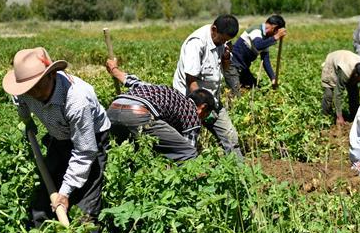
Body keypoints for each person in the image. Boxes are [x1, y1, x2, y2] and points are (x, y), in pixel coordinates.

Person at [2, 47, 110, 233]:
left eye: (38, 86)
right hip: (59, 135)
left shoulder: (77, 99)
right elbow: (20, 100)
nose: (34, 92)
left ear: (52, 74)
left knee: (85, 202)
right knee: (44, 198)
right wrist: (26, 121)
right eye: (28, 88)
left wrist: (65, 192)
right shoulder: (25, 89)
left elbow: (84, 151)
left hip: (90, 138)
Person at [105, 59, 217, 161]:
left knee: (129, 153)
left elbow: (133, 82)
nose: (203, 120)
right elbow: (187, 149)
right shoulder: (192, 115)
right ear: (203, 107)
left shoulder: (162, 90)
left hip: (112, 110)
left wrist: (114, 69)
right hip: (138, 115)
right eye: (206, 115)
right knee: (188, 153)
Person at [173, 15, 243, 159]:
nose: (224, 43)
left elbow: (225, 67)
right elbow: (191, 81)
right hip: (190, 102)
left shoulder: (221, 40)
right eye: (222, 39)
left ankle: (240, 174)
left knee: (230, 137)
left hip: (211, 100)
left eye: (226, 40)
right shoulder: (197, 43)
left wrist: (226, 57)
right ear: (214, 29)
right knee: (187, 143)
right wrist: (204, 109)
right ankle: (186, 174)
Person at [225, 15, 287, 96]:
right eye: (276, 32)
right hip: (232, 65)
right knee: (236, 94)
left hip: (243, 68)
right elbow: (258, 45)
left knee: (256, 90)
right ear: (274, 28)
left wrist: (273, 78)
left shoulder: (265, 38)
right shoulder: (256, 30)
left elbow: (265, 60)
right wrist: (276, 37)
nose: (273, 35)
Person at [321, 49, 360, 126]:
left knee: (354, 93)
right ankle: (325, 118)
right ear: (356, 74)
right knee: (329, 94)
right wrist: (339, 116)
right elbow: (338, 93)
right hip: (332, 62)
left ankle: (354, 116)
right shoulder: (346, 72)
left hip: (347, 59)